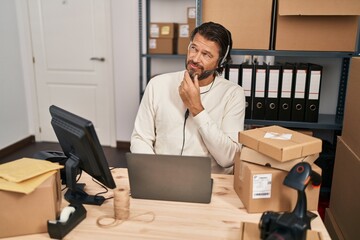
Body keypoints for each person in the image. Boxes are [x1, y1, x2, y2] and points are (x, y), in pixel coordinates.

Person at [130, 22, 245, 174]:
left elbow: (228, 158)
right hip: (161, 175)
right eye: (194, 48)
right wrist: (154, 171)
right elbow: (140, 139)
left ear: (220, 61)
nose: (195, 59)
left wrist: (197, 109)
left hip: (211, 182)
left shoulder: (233, 94)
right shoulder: (158, 84)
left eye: (206, 54)